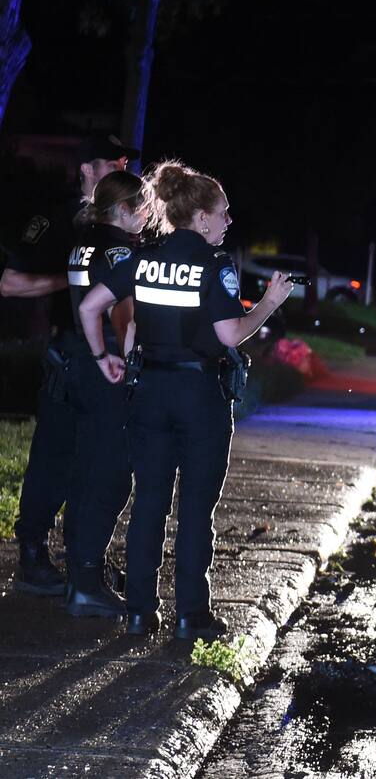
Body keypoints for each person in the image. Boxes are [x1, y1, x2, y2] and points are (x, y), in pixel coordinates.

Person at [79, 160, 293, 639]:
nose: (228, 221)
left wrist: (102, 358)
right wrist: (269, 303)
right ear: (200, 218)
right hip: (198, 396)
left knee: (149, 503)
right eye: (223, 213)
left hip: (149, 395)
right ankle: (190, 616)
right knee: (195, 507)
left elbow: (92, 306)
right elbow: (229, 335)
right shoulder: (213, 265)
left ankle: (139, 612)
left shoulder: (144, 258)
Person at [1, 133, 138, 596]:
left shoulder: (116, 225)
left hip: (101, 359)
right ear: (86, 169)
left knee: (94, 462)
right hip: (70, 353)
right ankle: (33, 554)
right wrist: (78, 281)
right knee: (54, 458)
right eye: (112, 163)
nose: (122, 168)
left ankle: (85, 560)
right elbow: (10, 284)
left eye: (125, 163)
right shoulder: (60, 219)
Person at [61, 170, 147, 617]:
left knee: (84, 470)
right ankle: (86, 581)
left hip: (77, 365)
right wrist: (119, 360)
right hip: (106, 370)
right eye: (143, 207)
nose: (148, 215)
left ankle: (80, 569)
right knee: (111, 476)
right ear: (124, 209)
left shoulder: (84, 241)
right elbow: (120, 315)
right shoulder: (119, 250)